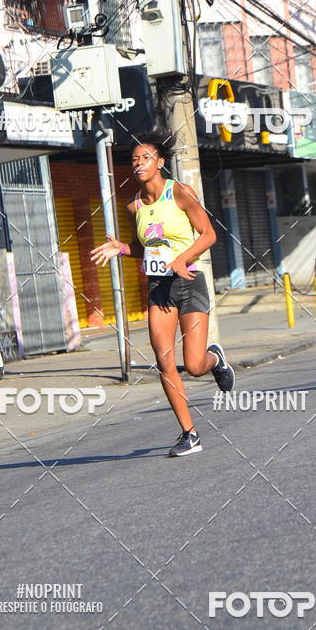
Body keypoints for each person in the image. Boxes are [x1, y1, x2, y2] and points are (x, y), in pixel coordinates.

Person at [90, 130, 235, 457]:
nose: (139, 163)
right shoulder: (134, 206)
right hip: (159, 288)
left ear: (160, 162)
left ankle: (215, 359)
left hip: (189, 281)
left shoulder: (180, 192)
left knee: (194, 365)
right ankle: (189, 434)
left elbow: (208, 234)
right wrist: (122, 248)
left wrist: (182, 259)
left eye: (146, 158)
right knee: (164, 361)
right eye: (134, 159)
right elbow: (145, 247)